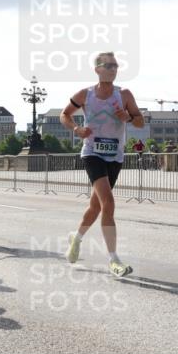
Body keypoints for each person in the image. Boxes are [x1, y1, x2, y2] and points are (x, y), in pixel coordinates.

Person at [61, 52, 144, 277]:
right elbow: (65, 115)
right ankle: (114, 260)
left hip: (115, 156)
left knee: (96, 207)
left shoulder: (124, 95)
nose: (113, 69)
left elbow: (140, 120)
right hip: (92, 153)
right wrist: (77, 129)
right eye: (108, 65)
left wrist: (128, 117)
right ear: (97, 69)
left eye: (115, 65)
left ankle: (76, 238)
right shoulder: (85, 95)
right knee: (108, 203)